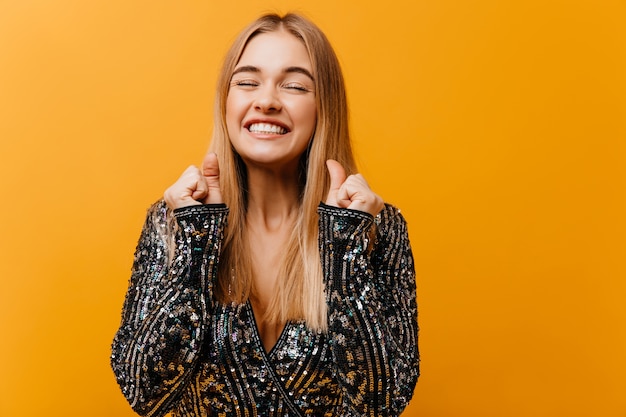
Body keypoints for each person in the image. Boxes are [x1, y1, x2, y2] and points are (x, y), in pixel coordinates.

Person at [111, 12, 419, 417]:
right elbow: (143, 391)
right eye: (247, 82)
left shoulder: (377, 229)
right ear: (227, 101)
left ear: (323, 107)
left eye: (294, 85)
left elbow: (383, 402)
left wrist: (345, 248)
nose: (268, 100)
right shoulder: (173, 222)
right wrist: (197, 243)